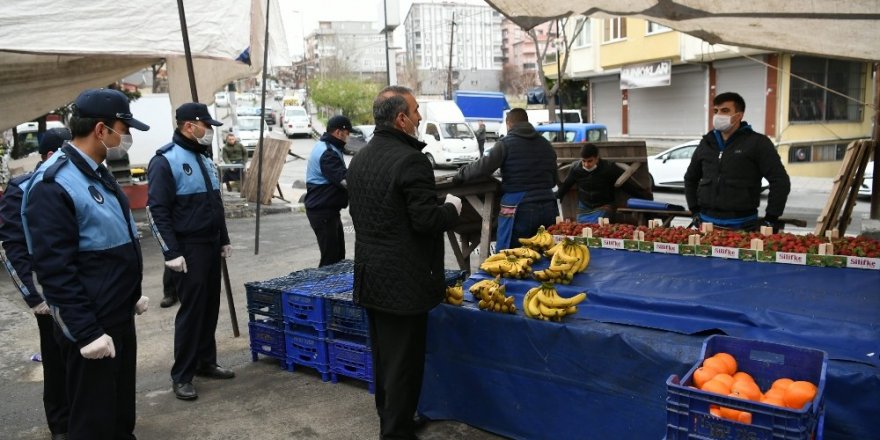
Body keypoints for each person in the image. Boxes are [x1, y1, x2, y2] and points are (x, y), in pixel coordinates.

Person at [21, 88, 150, 439]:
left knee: (120, 412)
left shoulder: (97, 171)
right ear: (101, 130)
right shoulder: (54, 183)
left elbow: (110, 238)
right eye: (124, 128)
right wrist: (86, 332)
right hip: (91, 324)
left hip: (117, 315)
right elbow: (53, 271)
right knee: (94, 422)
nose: (128, 137)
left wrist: (129, 292)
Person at [347, 85, 462, 439]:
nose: (419, 117)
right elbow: (425, 221)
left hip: (372, 275)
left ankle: (393, 418)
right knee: (403, 363)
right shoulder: (411, 159)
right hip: (404, 280)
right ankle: (395, 431)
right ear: (400, 119)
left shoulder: (360, 157)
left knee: (385, 358)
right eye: (414, 112)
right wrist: (452, 209)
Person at [146, 102, 234, 401]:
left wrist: (223, 237)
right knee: (192, 310)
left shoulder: (204, 157)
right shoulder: (165, 161)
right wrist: (171, 252)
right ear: (189, 126)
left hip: (210, 243)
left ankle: (205, 361)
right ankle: (182, 374)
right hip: (189, 247)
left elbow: (215, 203)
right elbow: (157, 211)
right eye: (205, 126)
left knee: (210, 306)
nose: (208, 131)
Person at [0, 127, 71, 440]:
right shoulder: (22, 188)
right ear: (50, 154)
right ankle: (60, 424)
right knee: (56, 361)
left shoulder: (79, 182)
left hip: (81, 287)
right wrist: (33, 297)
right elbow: (12, 248)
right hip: (49, 293)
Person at [684, 92, 791, 231]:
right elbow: (690, 178)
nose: (718, 115)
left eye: (725, 110)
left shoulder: (757, 143)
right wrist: (694, 210)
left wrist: (771, 218)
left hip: (743, 225)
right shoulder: (707, 143)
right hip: (706, 224)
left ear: (739, 115)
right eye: (716, 111)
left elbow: (780, 181)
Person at [454, 108, 558, 250]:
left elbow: (482, 167)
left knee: (510, 257)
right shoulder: (546, 145)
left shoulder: (506, 144)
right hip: (549, 208)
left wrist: (461, 174)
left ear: (509, 124)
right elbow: (553, 180)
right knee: (545, 256)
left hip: (520, 209)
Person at [557, 143, 653, 223]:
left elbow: (626, 186)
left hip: (604, 206)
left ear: (597, 158)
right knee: (581, 231)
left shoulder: (608, 168)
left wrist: (643, 197)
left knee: (600, 230)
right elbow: (566, 184)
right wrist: (558, 196)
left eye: (590, 161)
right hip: (585, 207)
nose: (586, 164)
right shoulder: (576, 168)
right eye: (584, 161)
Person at [305, 115, 352, 267]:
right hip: (322, 212)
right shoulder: (328, 153)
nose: (349, 136)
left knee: (337, 257)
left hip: (328, 211)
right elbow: (345, 181)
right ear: (339, 132)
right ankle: (323, 289)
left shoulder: (328, 147)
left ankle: (331, 288)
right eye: (347, 133)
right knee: (330, 260)